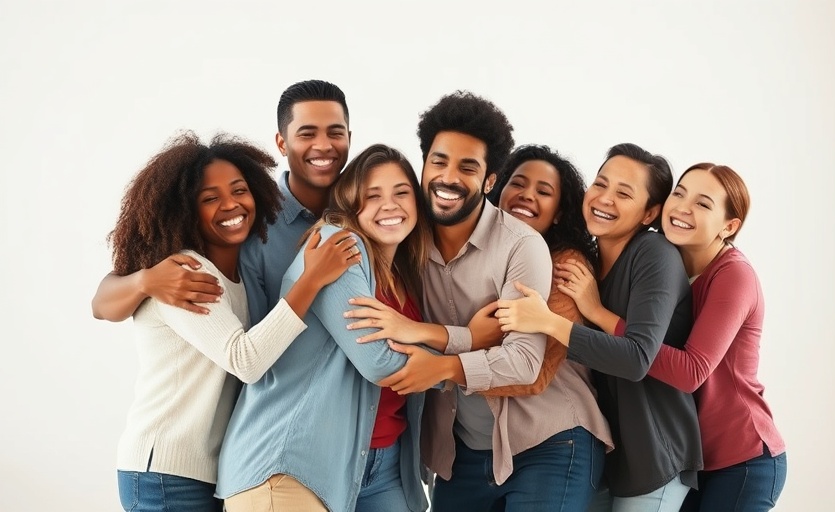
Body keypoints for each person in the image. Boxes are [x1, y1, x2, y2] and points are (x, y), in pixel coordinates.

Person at [101, 131, 360, 512]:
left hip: (206, 471)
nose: (230, 204)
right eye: (210, 198)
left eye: (239, 190)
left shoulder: (236, 275)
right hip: (165, 473)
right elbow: (247, 361)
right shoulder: (187, 272)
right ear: (185, 210)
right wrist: (312, 279)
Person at [342, 92, 556, 511]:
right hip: (460, 451)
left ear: (490, 181)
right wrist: (470, 336)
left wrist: (438, 355)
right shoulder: (402, 234)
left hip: (539, 439)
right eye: (438, 161)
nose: (448, 176)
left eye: (467, 167)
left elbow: (524, 360)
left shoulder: (522, 247)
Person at [215, 144, 431, 512]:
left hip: (380, 465)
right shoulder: (339, 244)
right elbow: (377, 361)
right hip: (290, 464)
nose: (390, 205)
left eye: (401, 192)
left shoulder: (406, 273)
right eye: (372, 195)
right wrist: (463, 358)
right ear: (351, 205)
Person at [495, 142, 703, 511]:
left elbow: (637, 358)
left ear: (649, 212)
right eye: (601, 184)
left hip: (654, 456)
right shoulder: (590, 261)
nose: (604, 198)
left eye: (624, 193)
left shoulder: (655, 256)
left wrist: (549, 321)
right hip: (611, 456)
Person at [91, 79, 351, 323]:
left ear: (349, 137)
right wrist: (144, 282)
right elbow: (101, 303)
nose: (324, 145)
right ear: (282, 144)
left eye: (335, 133)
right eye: (307, 134)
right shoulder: (250, 218)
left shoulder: (371, 213)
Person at [478, 143, 615, 507]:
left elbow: (532, 373)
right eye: (518, 183)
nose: (527, 195)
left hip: (555, 439)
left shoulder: (566, 265)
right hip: (479, 448)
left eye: (544, 191)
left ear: (558, 213)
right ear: (497, 191)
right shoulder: (474, 252)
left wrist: (439, 369)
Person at [646, 163, 787, 511]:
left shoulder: (734, 275)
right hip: (691, 461)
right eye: (679, 193)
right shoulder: (664, 262)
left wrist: (610, 325)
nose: (682, 207)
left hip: (743, 460)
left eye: (703, 203)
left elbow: (690, 372)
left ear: (729, 226)